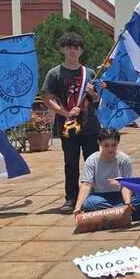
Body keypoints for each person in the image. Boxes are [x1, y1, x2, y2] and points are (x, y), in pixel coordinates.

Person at [43, 32, 101, 214]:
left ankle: (94, 195)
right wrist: (66, 113)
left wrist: (93, 93)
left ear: (81, 50)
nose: (72, 51)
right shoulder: (54, 73)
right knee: (71, 163)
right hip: (68, 127)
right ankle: (71, 197)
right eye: (69, 47)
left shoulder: (90, 73)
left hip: (90, 125)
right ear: (62, 49)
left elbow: (99, 100)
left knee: (92, 162)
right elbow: (47, 99)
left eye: (76, 47)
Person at [73, 128, 140, 219]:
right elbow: (86, 185)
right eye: (106, 145)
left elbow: (127, 185)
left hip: (121, 196)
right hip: (100, 197)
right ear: (99, 143)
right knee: (90, 203)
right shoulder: (92, 160)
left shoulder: (124, 159)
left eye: (114, 145)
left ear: (118, 144)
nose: (110, 149)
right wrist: (78, 207)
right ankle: (123, 213)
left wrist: (127, 203)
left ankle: (117, 213)